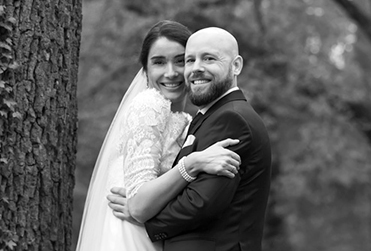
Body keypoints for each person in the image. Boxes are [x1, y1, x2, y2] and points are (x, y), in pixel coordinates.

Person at [76, 21, 241, 251]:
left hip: (153, 234)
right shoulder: (149, 106)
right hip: (130, 237)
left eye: (181, 61)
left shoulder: (186, 121)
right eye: (159, 62)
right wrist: (192, 163)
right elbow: (139, 204)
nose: (171, 73)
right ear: (145, 70)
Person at [109, 27, 272, 251]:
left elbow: (200, 201)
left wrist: (141, 213)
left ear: (236, 65)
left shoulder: (232, 119)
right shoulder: (206, 117)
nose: (196, 68)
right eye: (190, 60)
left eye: (209, 59)